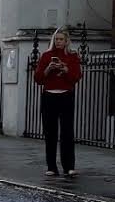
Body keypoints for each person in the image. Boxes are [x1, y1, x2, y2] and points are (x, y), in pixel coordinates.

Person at [34, 28, 83, 177]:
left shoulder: (73, 56)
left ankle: (69, 166)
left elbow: (76, 77)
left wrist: (65, 68)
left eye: (61, 39)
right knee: (50, 133)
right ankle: (51, 167)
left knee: (67, 132)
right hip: (49, 96)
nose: (58, 42)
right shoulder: (46, 56)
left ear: (67, 41)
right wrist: (49, 68)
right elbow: (38, 79)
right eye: (56, 39)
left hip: (66, 96)